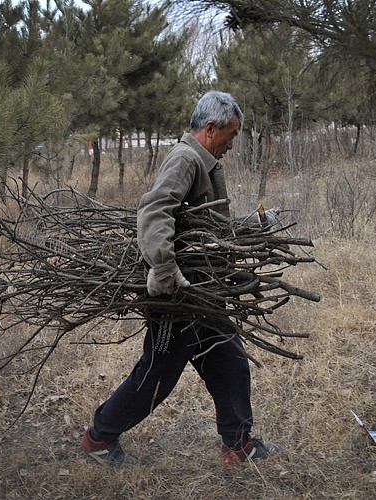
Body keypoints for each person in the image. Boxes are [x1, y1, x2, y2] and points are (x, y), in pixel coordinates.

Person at [80, 91, 281, 466]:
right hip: (177, 295)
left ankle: (239, 445)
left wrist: (252, 227)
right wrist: (164, 269)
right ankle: (99, 438)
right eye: (232, 134)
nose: (233, 144)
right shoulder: (186, 158)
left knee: (230, 361)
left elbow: (206, 226)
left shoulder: (204, 163)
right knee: (156, 375)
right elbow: (155, 210)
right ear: (210, 128)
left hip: (201, 293)